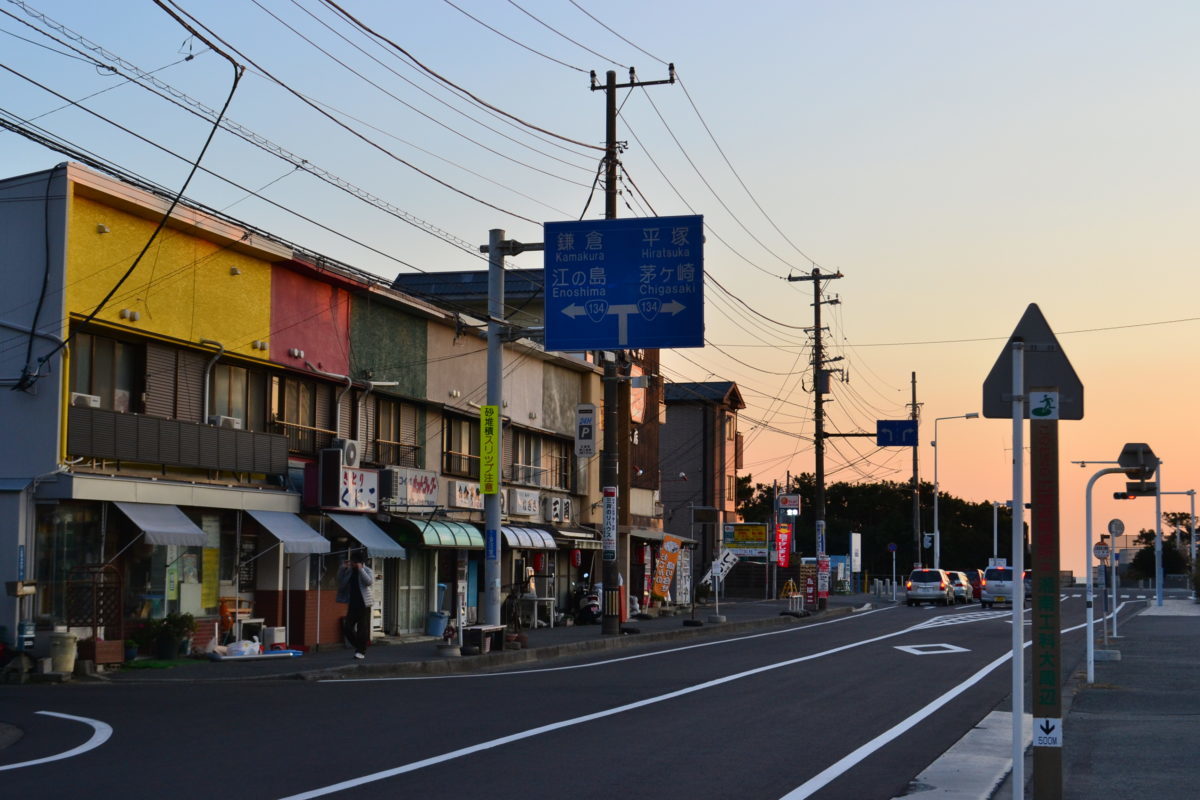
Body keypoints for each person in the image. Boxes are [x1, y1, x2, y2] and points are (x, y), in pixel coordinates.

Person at [336, 553, 374, 659]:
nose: (351, 563)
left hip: (364, 603)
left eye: (353, 561)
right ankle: (359, 646)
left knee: (362, 628)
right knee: (347, 627)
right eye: (351, 561)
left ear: (359, 562)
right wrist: (342, 568)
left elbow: (369, 582)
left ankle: (361, 651)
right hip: (352, 603)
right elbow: (340, 581)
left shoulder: (367, 570)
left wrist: (361, 569)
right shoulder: (350, 571)